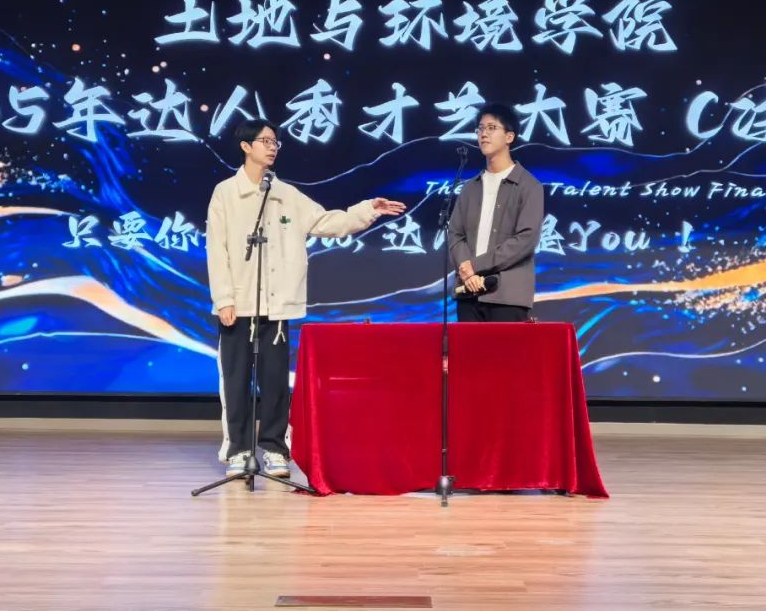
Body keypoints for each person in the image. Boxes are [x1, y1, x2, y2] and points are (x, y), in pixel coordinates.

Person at [206, 118, 405, 478]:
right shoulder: (225, 193)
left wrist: (368, 209)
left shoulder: (286, 194)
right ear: (246, 147)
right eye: (265, 141)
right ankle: (238, 450)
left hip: (277, 307)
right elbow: (216, 250)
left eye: (275, 142)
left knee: (275, 382)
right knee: (236, 381)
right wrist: (224, 299)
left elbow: (327, 222)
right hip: (238, 304)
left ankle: (274, 449)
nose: (272, 147)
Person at [448, 103, 544, 322]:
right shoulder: (470, 188)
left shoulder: (529, 186)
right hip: (468, 293)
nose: (484, 134)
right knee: (467, 347)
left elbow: (525, 239)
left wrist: (475, 265)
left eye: (491, 128)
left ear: (509, 136)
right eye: (480, 129)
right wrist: (467, 271)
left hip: (507, 297)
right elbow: (455, 233)